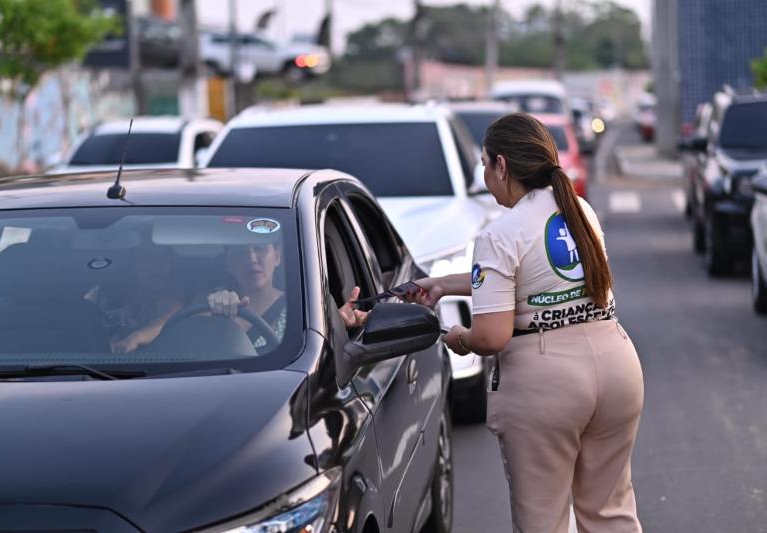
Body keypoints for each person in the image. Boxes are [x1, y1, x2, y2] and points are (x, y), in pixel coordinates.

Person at [408, 113, 644, 532]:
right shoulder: (579, 211)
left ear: (502, 165)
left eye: (484, 162)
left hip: (548, 382)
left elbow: (492, 335)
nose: (484, 175)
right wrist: (444, 283)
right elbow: (528, 276)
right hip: (617, 366)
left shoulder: (500, 234)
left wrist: (457, 338)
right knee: (610, 513)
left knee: (543, 521)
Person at [208, 244, 369, 347]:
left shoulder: (305, 308)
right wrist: (214, 310)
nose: (251, 258)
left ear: (277, 256)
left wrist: (336, 323)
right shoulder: (210, 302)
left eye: (259, 248)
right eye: (241, 251)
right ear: (228, 263)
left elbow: (317, 352)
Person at [86, 243, 186, 353]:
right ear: (133, 265)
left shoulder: (175, 297)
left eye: (163, 257)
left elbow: (176, 315)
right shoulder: (105, 294)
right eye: (148, 257)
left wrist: (136, 337)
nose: (156, 265)